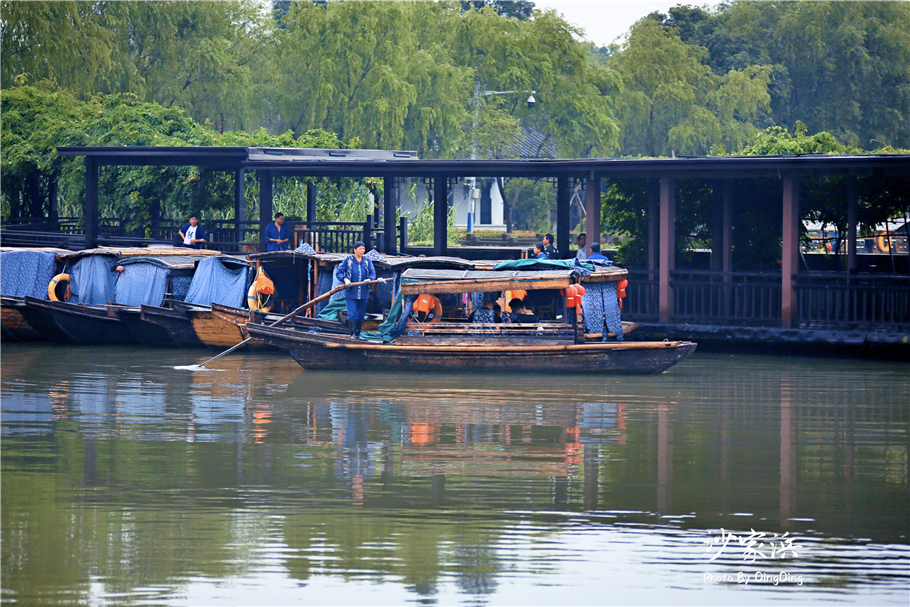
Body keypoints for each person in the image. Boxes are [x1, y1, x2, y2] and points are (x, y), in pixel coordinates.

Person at [336, 241, 376, 338]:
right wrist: (345, 279)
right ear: (355, 249)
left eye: (363, 248)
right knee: (352, 314)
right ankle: (353, 335)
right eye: (360, 248)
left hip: (363, 292)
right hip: (351, 293)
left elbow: (373, 273)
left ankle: (358, 334)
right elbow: (339, 272)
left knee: (361, 315)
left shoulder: (367, 261)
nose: (363, 250)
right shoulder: (348, 260)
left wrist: (369, 279)